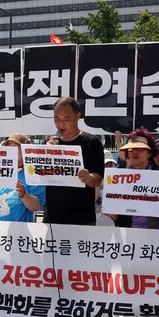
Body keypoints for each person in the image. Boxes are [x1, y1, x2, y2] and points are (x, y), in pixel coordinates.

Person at [43, 97, 105, 226]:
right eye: (57, 119)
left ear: (78, 117)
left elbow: (97, 178)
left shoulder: (92, 142)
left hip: (81, 217)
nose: (61, 124)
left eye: (66, 119)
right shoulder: (51, 143)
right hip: (52, 216)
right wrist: (46, 151)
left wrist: (88, 177)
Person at [106, 129, 159, 230]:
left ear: (149, 153)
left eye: (140, 149)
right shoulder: (118, 179)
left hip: (156, 235)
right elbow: (119, 217)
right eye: (130, 150)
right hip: (128, 236)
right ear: (127, 154)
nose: (135, 153)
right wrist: (113, 216)